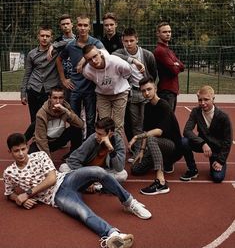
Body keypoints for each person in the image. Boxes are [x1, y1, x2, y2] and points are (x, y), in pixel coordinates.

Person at [4, 133, 152, 248]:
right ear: (10, 151)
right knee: (83, 213)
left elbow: (51, 179)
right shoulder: (9, 172)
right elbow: (9, 192)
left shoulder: (40, 155)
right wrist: (18, 199)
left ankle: (129, 202)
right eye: (16, 151)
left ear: (27, 147)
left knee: (98, 171)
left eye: (23, 149)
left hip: (67, 179)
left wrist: (27, 193)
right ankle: (113, 236)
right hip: (57, 196)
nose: (21, 153)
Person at [128, 76, 182, 195]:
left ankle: (161, 182)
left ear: (155, 88)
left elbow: (158, 131)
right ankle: (162, 161)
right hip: (158, 145)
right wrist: (141, 151)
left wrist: (137, 137)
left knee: (151, 139)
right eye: (143, 91)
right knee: (136, 169)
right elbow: (146, 130)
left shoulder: (164, 105)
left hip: (173, 147)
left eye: (149, 89)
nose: (146, 93)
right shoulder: (147, 106)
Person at [56, 15, 104, 138]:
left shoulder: (96, 43)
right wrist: (63, 79)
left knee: (90, 121)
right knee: (74, 120)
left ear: (89, 28)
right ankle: (75, 148)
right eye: (80, 25)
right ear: (76, 26)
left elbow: (104, 54)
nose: (82, 28)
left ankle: (90, 147)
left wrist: (84, 60)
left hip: (90, 89)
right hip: (75, 88)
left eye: (85, 25)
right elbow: (59, 60)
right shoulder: (70, 45)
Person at [113, 28, 157, 158]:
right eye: (126, 41)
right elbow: (112, 55)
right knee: (136, 124)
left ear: (137, 39)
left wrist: (152, 90)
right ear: (122, 41)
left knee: (147, 122)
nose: (129, 43)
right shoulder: (121, 53)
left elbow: (154, 74)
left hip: (146, 93)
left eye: (132, 40)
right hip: (132, 93)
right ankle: (138, 151)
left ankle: (149, 149)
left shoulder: (147, 55)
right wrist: (133, 60)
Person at [180, 85, 233, 183]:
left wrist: (221, 161)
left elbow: (227, 141)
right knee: (184, 141)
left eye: (206, 99)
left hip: (216, 150)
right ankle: (192, 170)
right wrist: (203, 143)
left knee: (217, 178)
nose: (203, 103)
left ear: (213, 99)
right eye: (200, 100)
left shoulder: (223, 117)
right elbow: (187, 131)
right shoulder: (196, 112)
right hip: (202, 145)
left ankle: (216, 161)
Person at [82, 44, 132, 136]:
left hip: (120, 93)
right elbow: (92, 80)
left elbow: (128, 71)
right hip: (103, 95)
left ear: (99, 53)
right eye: (89, 59)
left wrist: (120, 81)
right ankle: (106, 148)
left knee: (118, 124)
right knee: (104, 124)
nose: (93, 61)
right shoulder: (87, 71)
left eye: (95, 56)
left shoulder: (115, 61)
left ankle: (118, 148)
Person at [59, 117, 128, 183]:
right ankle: (96, 184)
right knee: (63, 167)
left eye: (100, 134)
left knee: (122, 174)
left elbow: (119, 168)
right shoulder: (93, 138)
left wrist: (111, 149)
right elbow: (73, 160)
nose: (96, 136)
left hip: (104, 171)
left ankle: (90, 183)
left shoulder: (117, 141)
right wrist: (86, 176)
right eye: (96, 132)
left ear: (110, 134)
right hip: (86, 170)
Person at [28, 86, 84, 158]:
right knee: (31, 157)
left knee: (76, 128)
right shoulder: (41, 113)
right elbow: (41, 140)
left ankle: (73, 155)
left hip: (58, 140)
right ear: (49, 98)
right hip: (44, 142)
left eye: (60, 98)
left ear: (64, 99)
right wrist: (48, 160)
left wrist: (67, 111)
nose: (58, 101)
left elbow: (81, 125)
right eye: (55, 98)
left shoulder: (65, 108)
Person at [21, 25, 60, 123]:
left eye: (47, 36)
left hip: (49, 90)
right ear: (38, 36)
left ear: (51, 37)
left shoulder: (56, 51)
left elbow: (71, 40)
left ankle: (47, 138)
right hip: (34, 88)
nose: (45, 38)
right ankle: (35, 137)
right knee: (34, 119)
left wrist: (54, 46)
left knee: (50, 118)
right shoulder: (31, 54)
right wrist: (23, 93)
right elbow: (27, 74)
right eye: (42, 35)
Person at [154, 22, 185, 112]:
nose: (168, 34)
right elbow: (174, 71)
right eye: (164, 32)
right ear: (158, 33)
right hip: (166, 91)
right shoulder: (160, 51)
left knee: (169, 119)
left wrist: (176, 64)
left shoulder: (168, 50)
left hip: (171, 91)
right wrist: (175, 64)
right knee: (167, 120)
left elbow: (182, 66)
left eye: (169, 31)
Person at [54, 14, 76, 101]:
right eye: (63, 24)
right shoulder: (57, 42)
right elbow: (57, 60)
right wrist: (63, 79)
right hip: (63, 79)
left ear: (72, 24)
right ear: (60, 26)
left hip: (77, 78)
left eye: (67, 23)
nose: (65, 26)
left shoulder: (79, 39)